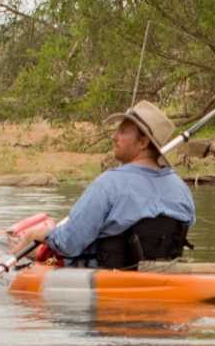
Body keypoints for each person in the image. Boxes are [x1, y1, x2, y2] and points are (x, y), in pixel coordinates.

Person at [17, 100, 197, 269]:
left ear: (143, 142)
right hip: (159, 275)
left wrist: (40, 234)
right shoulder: (181, 188)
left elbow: (69, 243)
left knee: (33, 239)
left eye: (123, 131)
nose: (114, 136)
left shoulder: (109, 183)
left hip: (102, 276)